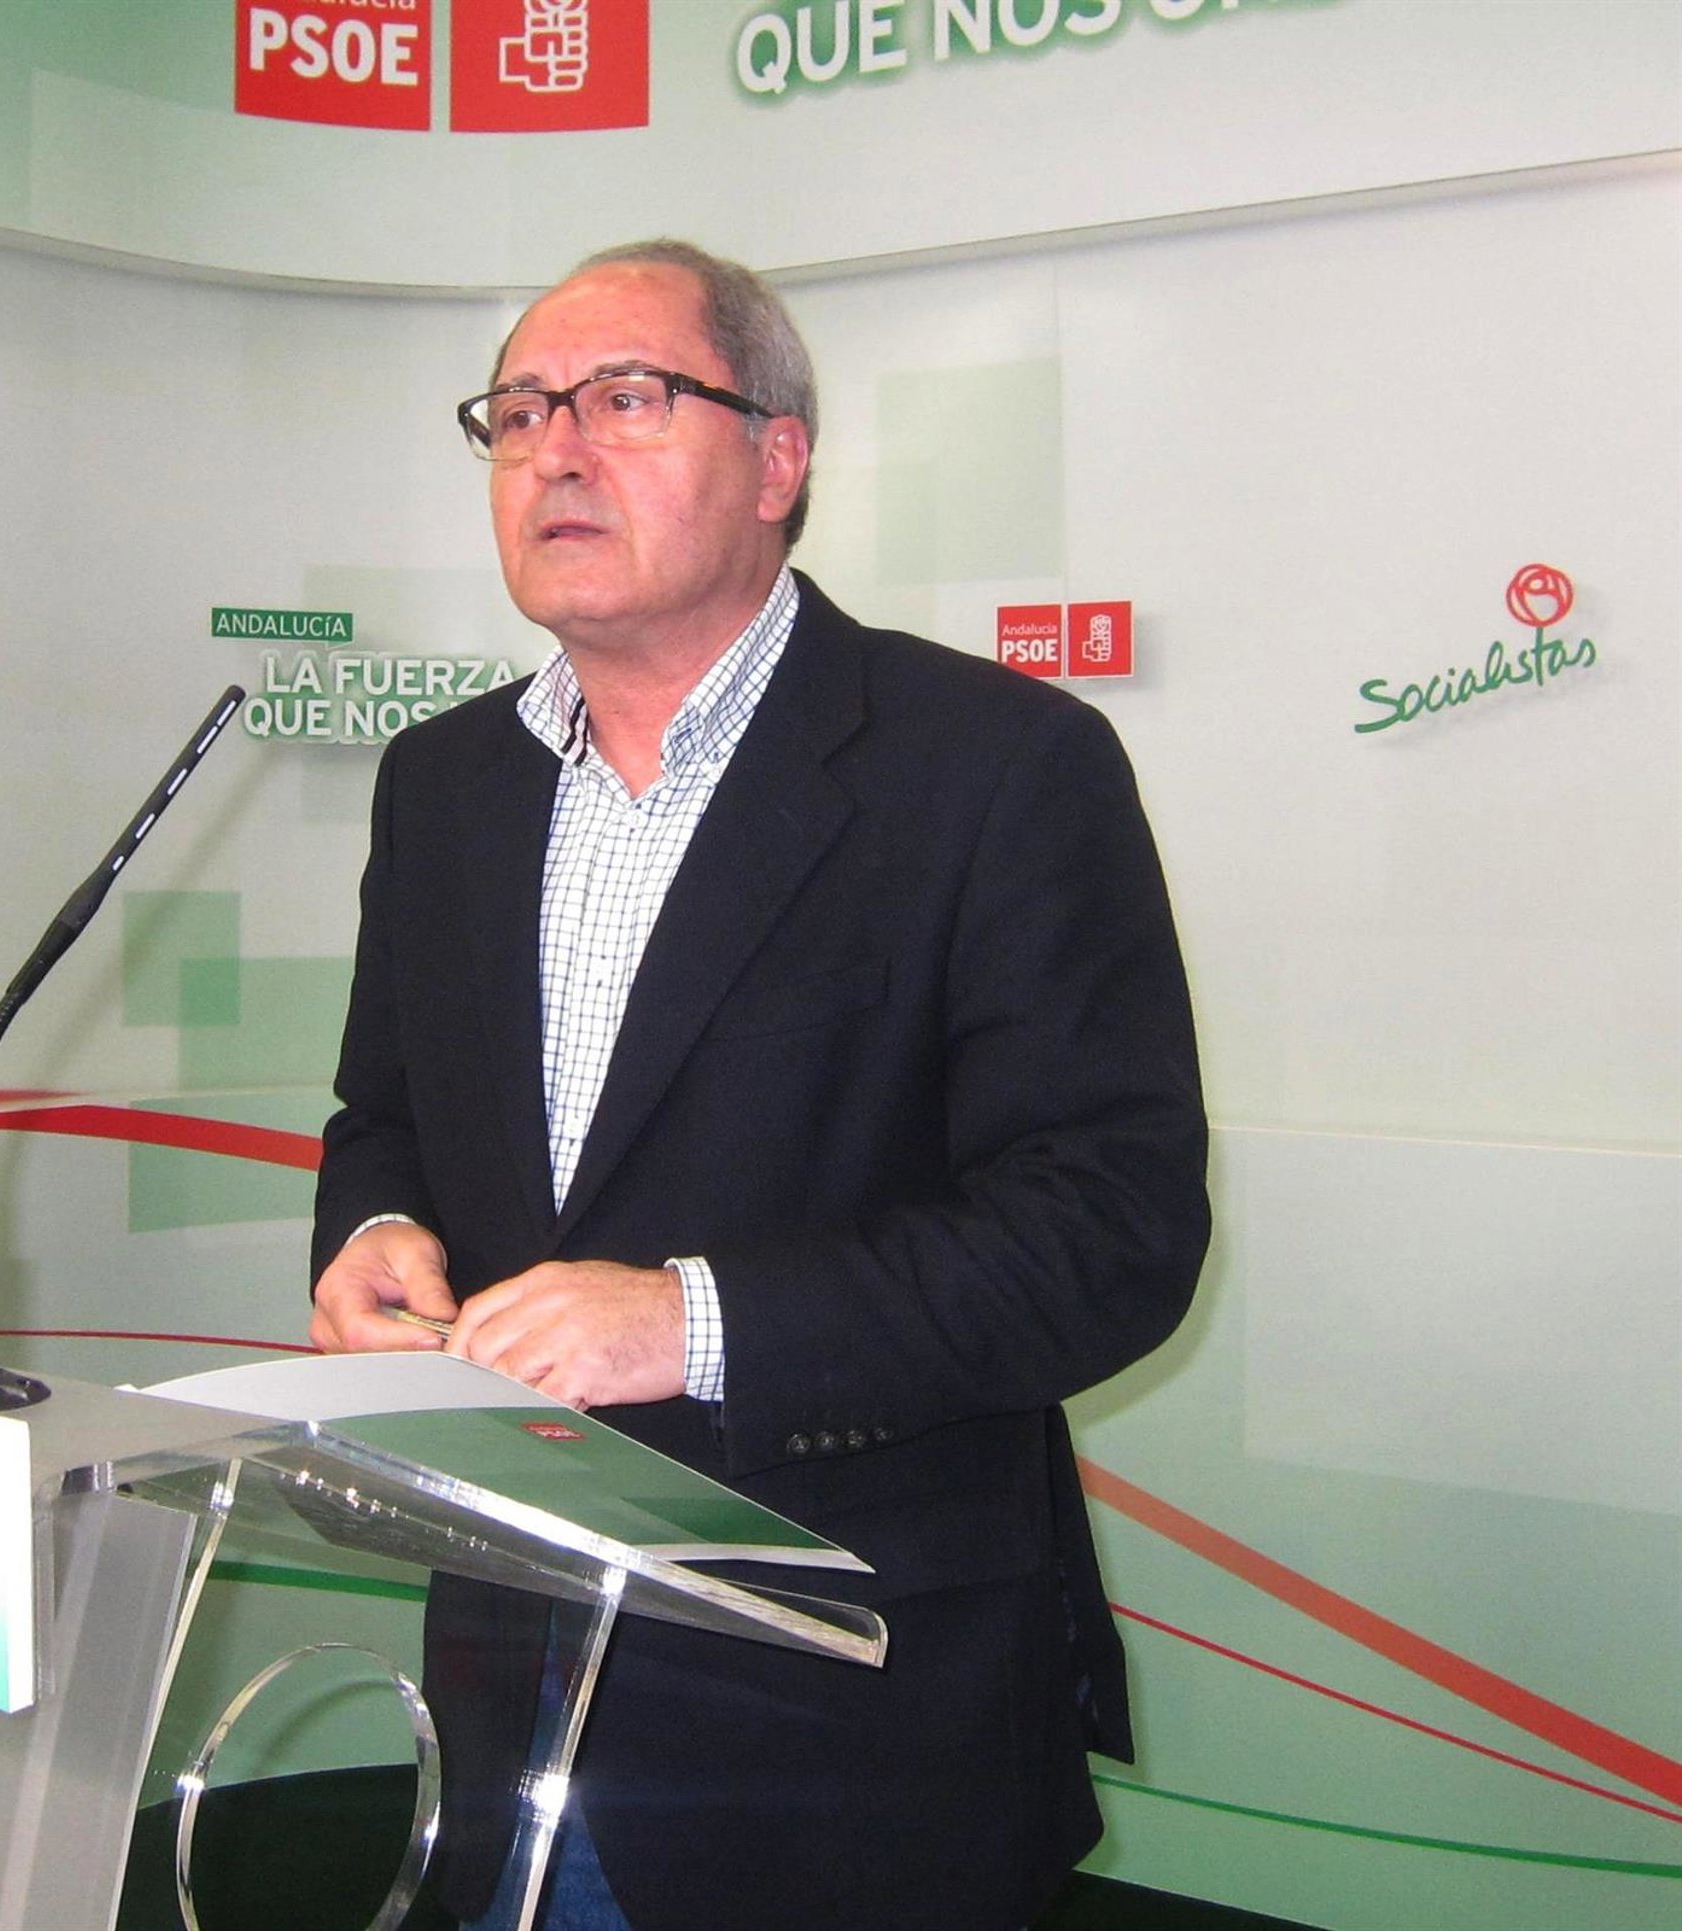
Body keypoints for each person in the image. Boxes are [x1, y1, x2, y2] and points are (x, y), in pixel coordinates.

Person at [310, 238, 1209, 1931]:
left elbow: (1110, 1233)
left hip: (854, 1714)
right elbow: (388, 1117)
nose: (557, 451)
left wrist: (693, 1320)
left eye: (624, 399)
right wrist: (372, 1229)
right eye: (519, 413)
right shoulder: (443, 784)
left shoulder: (995, 769)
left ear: (778, 458)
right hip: (515, 1678)